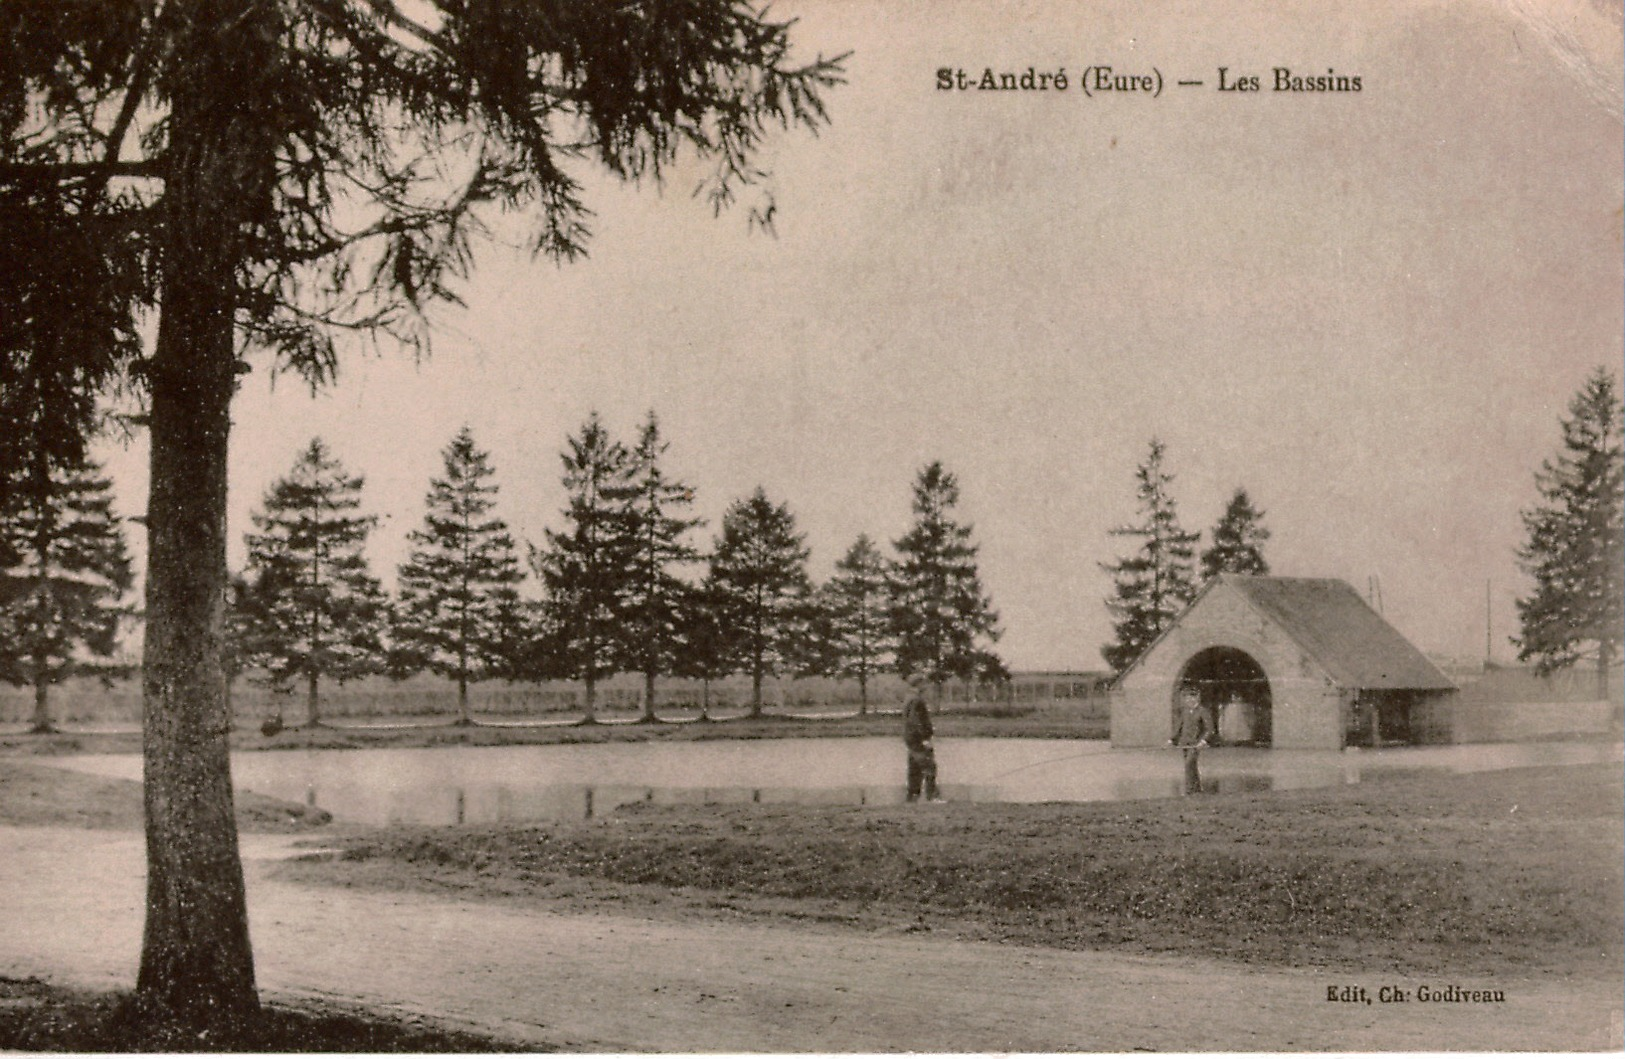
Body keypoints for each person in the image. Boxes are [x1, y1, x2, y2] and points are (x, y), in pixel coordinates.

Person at [1168, 685, 1211, 795]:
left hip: (1196, 744)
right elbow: (1179, 727)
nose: (1189, 700)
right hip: (1184, 743)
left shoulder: (1202, 711)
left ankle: (1189, 790)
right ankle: (1197, 789)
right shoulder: (1185, 712)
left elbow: (1209, 729)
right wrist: (1172, 740)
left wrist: (1203, 741)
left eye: (1192, 697)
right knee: (1191, 765)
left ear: (1197, 698)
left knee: (1189, 764)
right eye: (1187, 698)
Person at [902, 692, 941, 802]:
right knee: (929, 766)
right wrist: (925, 737)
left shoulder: (909, 698)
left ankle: (912, 796)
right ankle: (932, 796)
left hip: (910, 737)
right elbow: (916, 720)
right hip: (918, 738)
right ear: (920, 684)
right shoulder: (917, 700)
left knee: (914, 767)